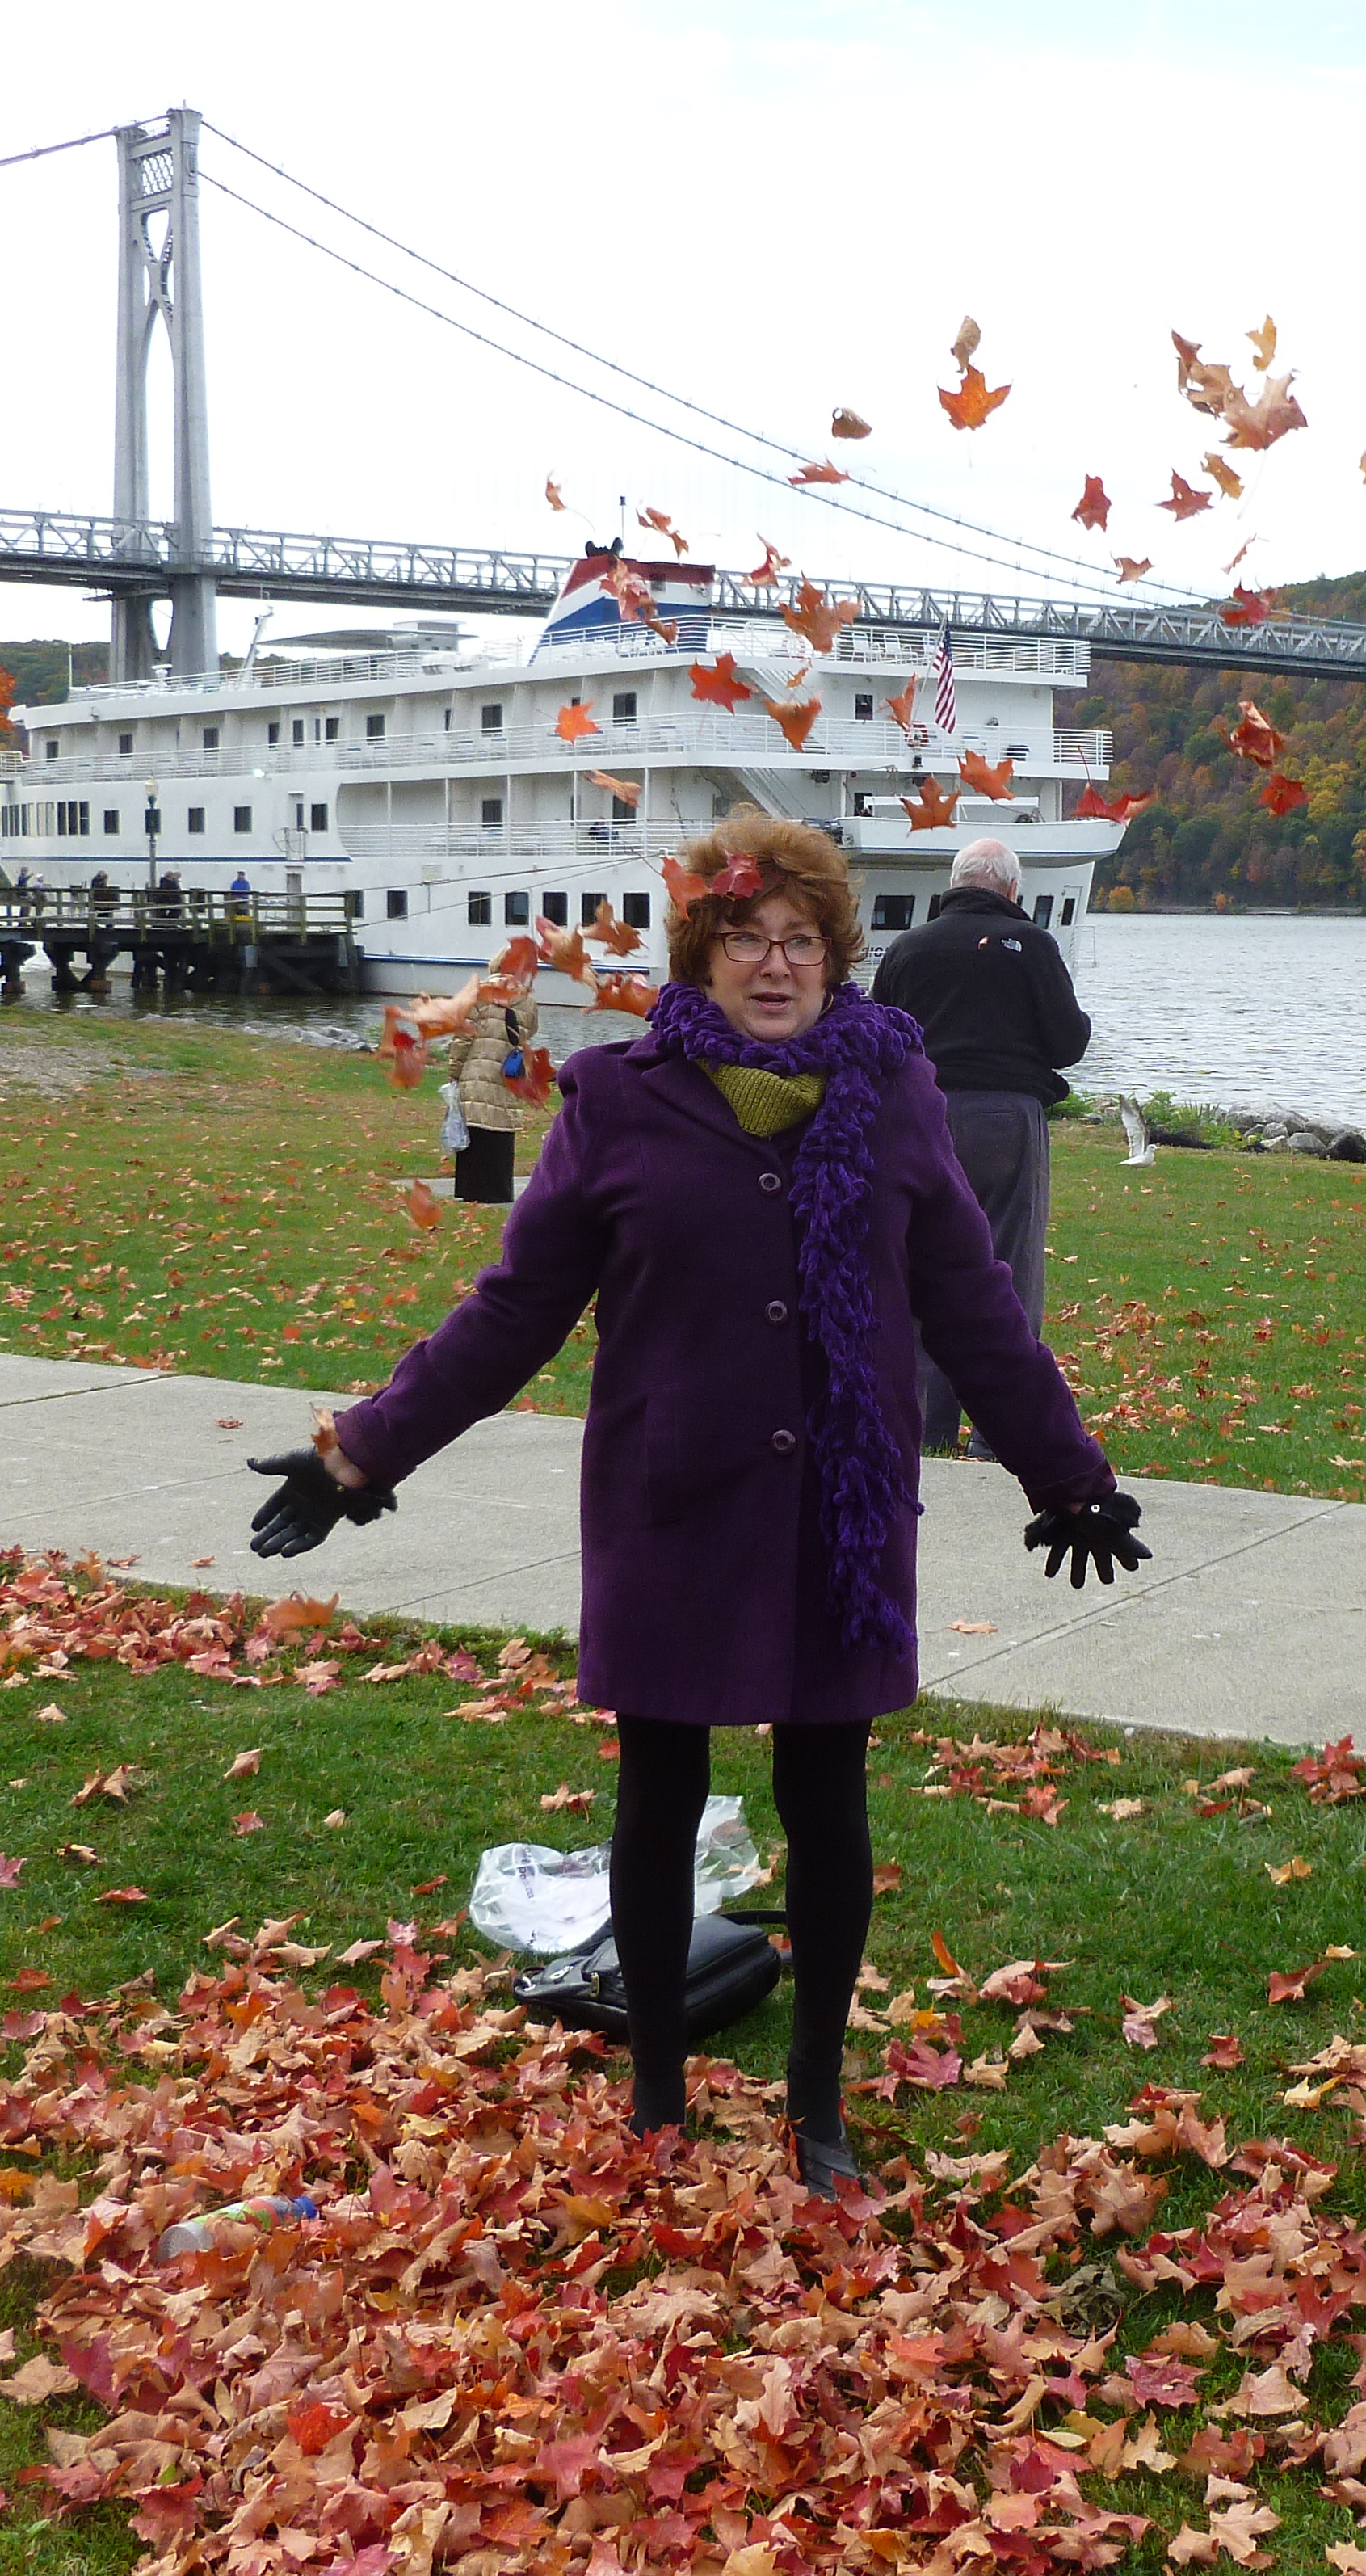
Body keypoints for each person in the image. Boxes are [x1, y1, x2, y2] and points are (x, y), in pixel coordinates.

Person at [238, 810, 1151, 2195]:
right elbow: (515, 1308)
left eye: (796, 941)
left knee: (825, 1798)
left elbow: (970, 1303)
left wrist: (1066, 1469)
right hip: (675, 1498)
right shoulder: (617, 1094)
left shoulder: (893, 1091)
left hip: (837, 1513)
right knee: (657, 1797)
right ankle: (656, 2091)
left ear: (834, 957)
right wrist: (365, 1449)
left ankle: (816, 2106)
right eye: (743, 941)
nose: (771, 967)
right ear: (699, 954)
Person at [868, 836, 1091, 1457]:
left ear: (954, 883)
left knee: (922, 1261)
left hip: (922, 1115)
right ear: (1012, 890)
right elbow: (1068, 1043)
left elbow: (880, 1035)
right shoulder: (1035, 948)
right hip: (1005, 1116)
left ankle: (925, 1423)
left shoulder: (909, 949)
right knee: (1009, 1265)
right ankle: (998, 1432)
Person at [439, 994, 546, 1203]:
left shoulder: (481, 996)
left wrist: (454, 1070)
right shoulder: (527, 1001)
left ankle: (471, 1191)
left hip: (477, 1071)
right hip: (509, 1073)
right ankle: (499, 1191)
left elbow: (463, 1037)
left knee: (475, 1129)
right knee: (501, 1132)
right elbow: (530, 1030)